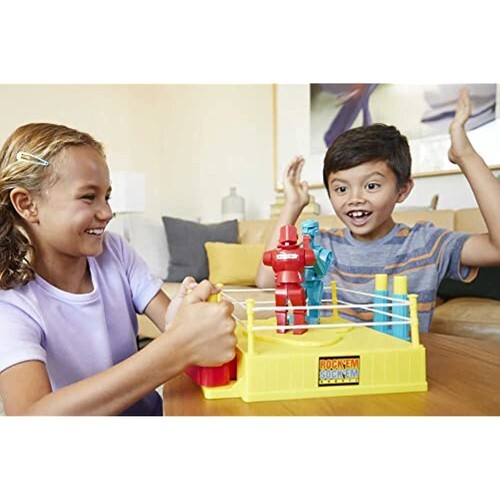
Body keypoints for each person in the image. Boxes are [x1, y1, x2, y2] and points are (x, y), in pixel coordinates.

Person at [0, 123, 236, 416]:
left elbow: (172, 322)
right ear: (27, 204)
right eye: (88, 197)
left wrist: (184, 312)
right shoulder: (10, 302)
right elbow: (30, 417)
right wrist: (176, 349)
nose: (107, 213)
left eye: (107, 196)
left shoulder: (114, 251)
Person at [256, 89, 500, 333]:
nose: (355, 199)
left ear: (402, 190)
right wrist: (292, 204)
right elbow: (267, 279)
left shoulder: (425, 243)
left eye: (371, 186)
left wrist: (466, 156)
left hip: (397, 356)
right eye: (341, 189)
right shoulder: (321, 246)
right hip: (331, 356)